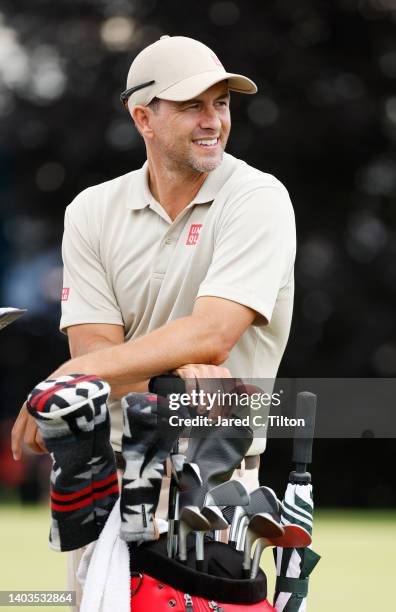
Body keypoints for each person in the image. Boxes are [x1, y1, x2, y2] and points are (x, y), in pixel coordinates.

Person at [11, 35, 296, 608]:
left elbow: (213, 333)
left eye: (222, 103)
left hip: (217, 484)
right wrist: (169, 376)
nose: (213, 120)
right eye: (193, 105)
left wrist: (67, 380)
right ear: (143, 116)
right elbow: (99, 357)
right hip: (108, 487)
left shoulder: (257, 198)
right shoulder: (91, 211)